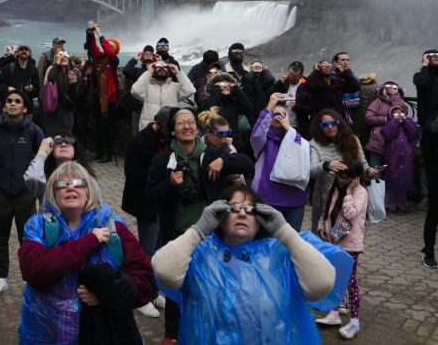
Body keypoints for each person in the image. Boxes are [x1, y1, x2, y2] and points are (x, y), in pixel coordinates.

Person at [152, 185, 340, 344]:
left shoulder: (280, 255)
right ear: (219, 216)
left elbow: (321, 284)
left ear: (260, 221)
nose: (242, 212)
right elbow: (163, 270)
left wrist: (285, 232)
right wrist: (199, 229)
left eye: (250, 209)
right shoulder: (200, 253)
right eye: (234, 208)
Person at [18, 161, 155, 344]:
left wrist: (106, 294)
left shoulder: (114, 228)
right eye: (62, 184)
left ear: (89, 190)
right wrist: (89, 242)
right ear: (52, 192)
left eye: (77, 183)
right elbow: (33, 270)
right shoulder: (39, 226)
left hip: (101, 334)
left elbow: (145, 282)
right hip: (45, 336)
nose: (70, 188)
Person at [145, 107, 207, 341]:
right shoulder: (162, 161)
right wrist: (170, 184)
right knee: (175, 286)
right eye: (181, 123)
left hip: (208, 236)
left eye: (191, 121)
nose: (187, 126)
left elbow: (245, 167)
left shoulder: (210, 155)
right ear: (172, 131)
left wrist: (224, 164)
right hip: (177, 234)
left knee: (207, 286)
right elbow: (150, 195)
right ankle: (172, 334)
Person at [0, 90, 44, 297]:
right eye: (9, 101)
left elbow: (43, 161)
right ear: (4, 106)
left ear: (25, 108)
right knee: (1, 239)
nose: (13, 104)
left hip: (25, 196)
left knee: (27, 240)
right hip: (0, 195)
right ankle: (1, 279)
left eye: (18, 101)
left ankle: (29, 279)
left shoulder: (34, 131)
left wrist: (36, 190)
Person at [121, 106, 175, 318]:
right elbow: (132, 173)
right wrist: (161, 175)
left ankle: (153, 290)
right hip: (146, 203)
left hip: (163, 203)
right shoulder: (140, 141)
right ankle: (141, 296)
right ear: (159, 125)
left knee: (161, 249)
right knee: (148, 251)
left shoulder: (167, 140)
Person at [316, 161, 368, 339]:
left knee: (350, 283)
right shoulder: (335, 188)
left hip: (350, 245)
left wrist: (347, 194)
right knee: (334, 279)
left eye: (345, 177)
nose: (340, 180)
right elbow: (327, 211)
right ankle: (334, 313)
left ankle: (354, 321)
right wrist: (322, 227)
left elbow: (351, 214)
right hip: (334, 243)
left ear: (355, 179)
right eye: (339, 175)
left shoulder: (360, 193)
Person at [309, 109, 379, 232]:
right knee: (323, 233)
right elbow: (311, 171)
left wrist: (369, 172)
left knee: (345, 234)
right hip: (325, 197)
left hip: (350, 196)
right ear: (319, 127)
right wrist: (326, 165)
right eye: (325, 125)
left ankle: (345, 250)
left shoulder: (352, 139)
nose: (330, 127)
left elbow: (362, 163)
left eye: (333, 123)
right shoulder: (314, 144)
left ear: (339, 123)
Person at [251, 93, 310, 231]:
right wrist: (270, 106)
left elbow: (305, 152)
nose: (278, 117)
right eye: (274, 114)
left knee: (293, 241)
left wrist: (289, 128)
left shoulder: (296, 137)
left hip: (295, 199)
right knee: (268, 242)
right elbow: (257, 134)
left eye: (282, 115)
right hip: (268, 198)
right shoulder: (263, 140)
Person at [198, 108, 254, 203]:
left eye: (227, 134)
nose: (223, 140)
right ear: (208, 132)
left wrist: (235, 178)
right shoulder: (197, 148)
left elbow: (242, 183)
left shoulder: (229, 148)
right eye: (219, 135)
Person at [24, 133, 94, 205]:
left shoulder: (86, 175)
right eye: (58, 142)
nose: (63, 144)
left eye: (68, 141)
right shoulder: (44, 177)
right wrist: (42, 152)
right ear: (51, 149)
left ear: (75, 148)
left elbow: (96, 203)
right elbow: (33, 177)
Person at [415, 49, 438, 268]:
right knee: (434, 205)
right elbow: (422, 84)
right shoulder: (421, 76)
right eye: (432, 55)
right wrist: (424, 65)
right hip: (432, 141)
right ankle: (428, 250)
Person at [85, 23, 121, 163]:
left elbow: (110, 52)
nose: (108, 47)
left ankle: (107, 153)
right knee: (97, 125)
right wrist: (90, 33)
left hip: (108, 99)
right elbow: (93, 48)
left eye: (112, 46)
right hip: (96, 95)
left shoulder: (113, 60)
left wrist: (101, 35)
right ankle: (98, 151)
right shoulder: (99, 58)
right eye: (108, 45)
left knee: (107, 127)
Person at [298, 60, 360, 137]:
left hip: (339, 117)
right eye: (323, 65)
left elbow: (355, 87)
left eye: (329, 65)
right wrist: (315, 71)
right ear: (319, 67)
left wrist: (343, 73)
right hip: (322, 119)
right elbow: (308, 86)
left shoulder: (338, 82)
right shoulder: (315, 83)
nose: (327, 66)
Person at [131, 60, 195, 130]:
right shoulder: (146, 86)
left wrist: (178, 72)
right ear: (153, 69)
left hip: (169, 128)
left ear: (169, 71)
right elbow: (135, 91)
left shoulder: (175, 87)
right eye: (158, 67)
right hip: (148, 128)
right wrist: (148, 72)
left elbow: (190, 90)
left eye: (165, 67)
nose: (162, 68)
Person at [200, 71, 254, 153]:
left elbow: (249, 109)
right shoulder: (209, 101)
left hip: (235, 140)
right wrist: (214, 91)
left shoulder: (234, 102)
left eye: (228, 84)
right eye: (221, 84)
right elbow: (206, 110)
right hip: (215, 141)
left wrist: (237, 89)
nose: (226, 86)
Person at [379, 105, 420, 211]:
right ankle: (390, 203)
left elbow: (414, 133)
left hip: (406, 156)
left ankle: (401, 203)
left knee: (403, 178)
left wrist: (405, 121)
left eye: (400, 113)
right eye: (395, 113)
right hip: (392, 156)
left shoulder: (407, 124)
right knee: (392, 178)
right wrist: (395, 121)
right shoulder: (389, 124)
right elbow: (388, 134)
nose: (399, 115)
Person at [364, 81, 406, 170]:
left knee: (393, 173)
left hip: (395, 144)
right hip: (377, 142)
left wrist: (395, 97)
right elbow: (368, 118)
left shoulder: (400, 102)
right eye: (387, 86)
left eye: (394, 87)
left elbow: (401, 115)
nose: (390, 89)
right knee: (375, 173)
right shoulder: (378, 102)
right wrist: (386, 119)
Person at [41, 50, 81, 136]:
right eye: (60, 55)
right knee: (51, 139)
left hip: (66, 111)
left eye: (66, 56)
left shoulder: (75, 73)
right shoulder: (53, 70)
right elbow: (51, 79)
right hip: (53, 110)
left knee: (65, 139)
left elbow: (75, 96)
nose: (63, 57)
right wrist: (57, 64)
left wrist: (72, 84)